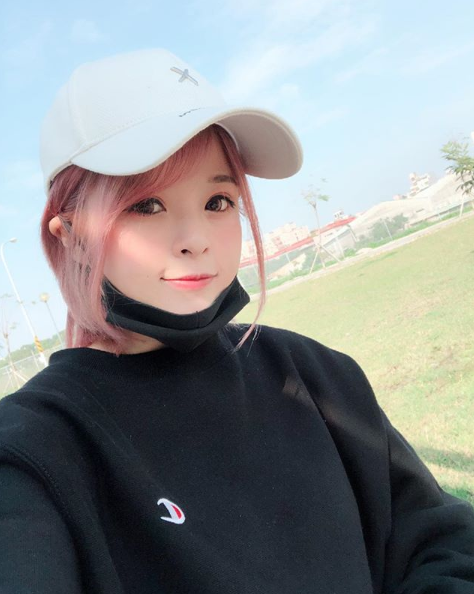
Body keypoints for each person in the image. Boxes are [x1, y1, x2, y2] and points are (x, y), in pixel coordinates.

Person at [0, 48, 473, 594]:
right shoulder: (36, 450)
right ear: (71, 235)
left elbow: (440, 540)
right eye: (146, 205)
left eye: (218, 200)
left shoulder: (313, 372)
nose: (196, 239)